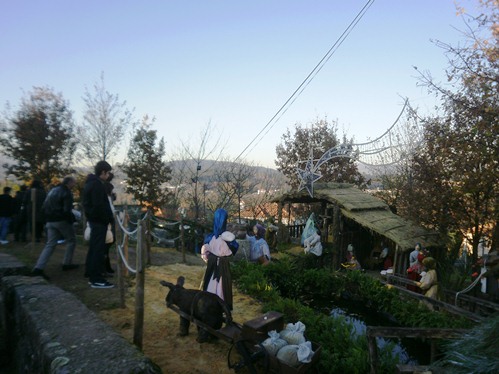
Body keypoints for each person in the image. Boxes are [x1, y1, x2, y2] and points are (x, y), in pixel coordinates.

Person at [31, 176, 79, 279]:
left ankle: (38, 267)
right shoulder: (67, 193)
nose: (74, 185)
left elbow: (44, 206)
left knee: (50, 244)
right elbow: (67, 210)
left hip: (50, 220)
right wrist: (72, 220)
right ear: (69, 183)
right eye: (73, 183)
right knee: (71, 240)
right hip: (61, 220)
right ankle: (66, 263)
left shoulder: (53, 190)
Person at [83, 161, 115, 289]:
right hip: (99, 222)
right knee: (97, 250)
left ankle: (91, 274)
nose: (108, 176)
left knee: (94, 249)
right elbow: (98, 205)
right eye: (107, 173)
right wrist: (106, 218)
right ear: (103, 172)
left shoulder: (90, 183)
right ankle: (96, 278)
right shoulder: (96, 185)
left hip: (95, 221)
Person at [201, 208, 238, 311]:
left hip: (213, 263)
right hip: (223, 263)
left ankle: (211, 304)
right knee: (222, 285)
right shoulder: (228, 239)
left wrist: (207, 259)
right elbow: (234, 249)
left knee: (212, 282)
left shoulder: (211, 237)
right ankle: (220, 306)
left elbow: (204, 250)